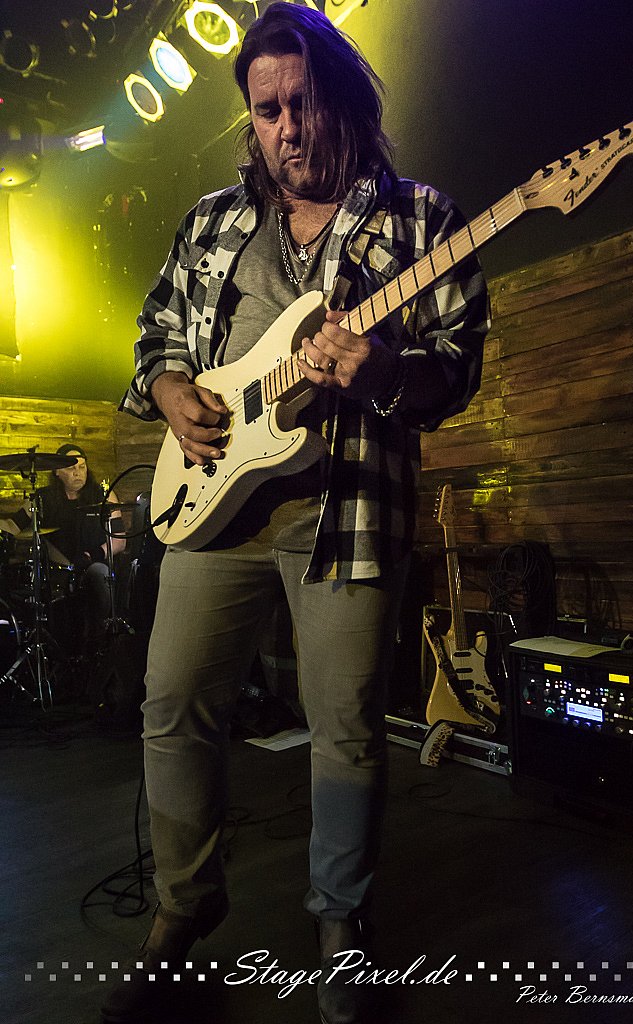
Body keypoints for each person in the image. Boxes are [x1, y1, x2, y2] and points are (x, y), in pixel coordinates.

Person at [103, 5, 488, 1023]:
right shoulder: (212, 221)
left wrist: (384, 370)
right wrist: (169, 387)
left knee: (346, 731)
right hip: (211, 502)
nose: (285, 128)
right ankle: (182, 908)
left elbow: (457, 369)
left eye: (302, 103)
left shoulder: (422, 219)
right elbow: (154, 332)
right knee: (172, 706)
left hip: (346, 511)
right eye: (266, 110)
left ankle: (340, 930)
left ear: (342, 100)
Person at [0, 444, 126, 651]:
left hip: (91, 563)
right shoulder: (42, 498)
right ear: (57, 471)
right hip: (55, 569)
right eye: (71, 468)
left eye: (82, 467)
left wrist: (91, 556)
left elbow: (119, 540)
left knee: (99, 574)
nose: (78, 472)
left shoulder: (104, 495)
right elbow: (13, 526)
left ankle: (98, 643)